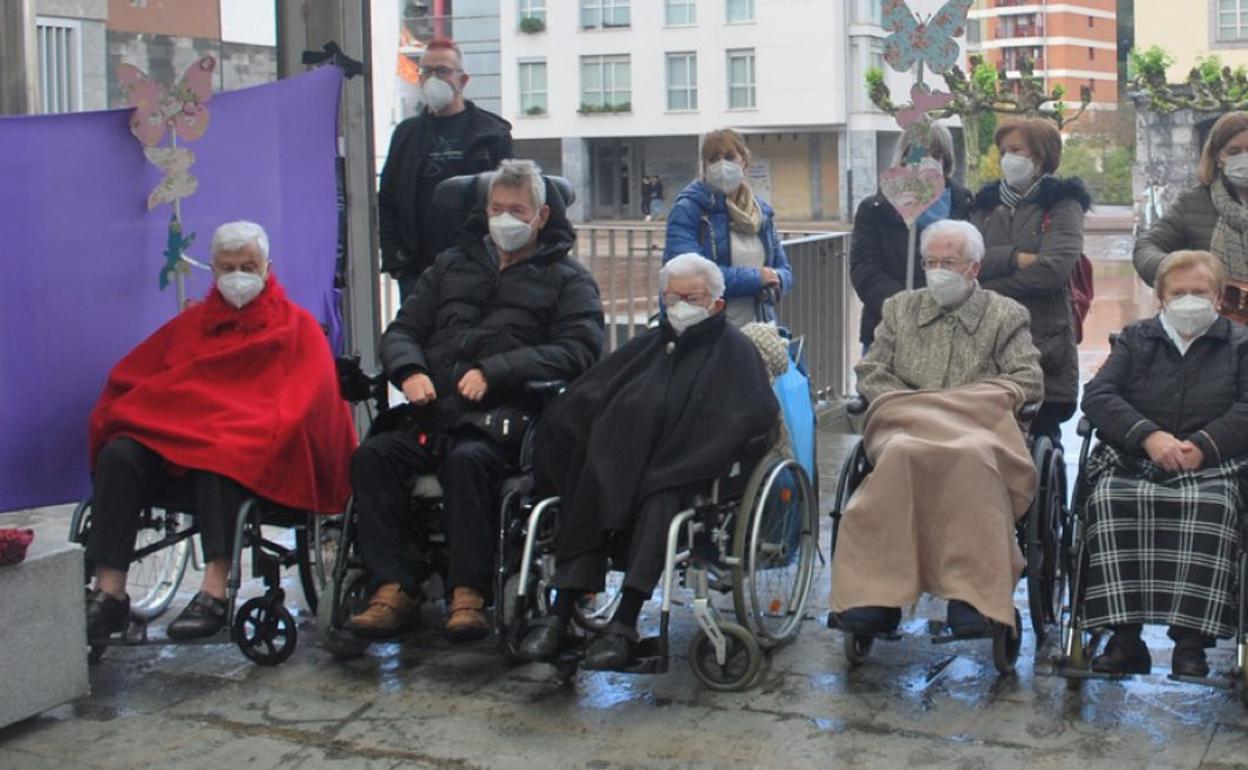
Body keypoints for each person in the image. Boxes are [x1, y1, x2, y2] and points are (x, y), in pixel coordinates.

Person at [348, 160, 605, 641]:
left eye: (517, 209)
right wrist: (410, 370)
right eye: (496, 208)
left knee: (468, 463)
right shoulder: (449, 266)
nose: (505, 218)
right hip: (436, 409)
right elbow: (404, 329)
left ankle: (468, 594)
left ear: (542, 216)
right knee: (373, 456)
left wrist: (496, 370)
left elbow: (580, 351)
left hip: (509, 418)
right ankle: (392, 587)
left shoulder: (569, 279)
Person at [84, 221, 358, 642]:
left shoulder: (297, 327)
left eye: (248, 266)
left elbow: (308, 400)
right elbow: (146, 380)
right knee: (120, 452)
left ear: (268, 268)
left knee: (223, 452)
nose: (238, 277)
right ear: (213, 271)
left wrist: (238, 427)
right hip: (177, 447)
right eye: (228, 268)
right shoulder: (190, 326)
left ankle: (215, 589)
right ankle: (110, 593)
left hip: (242, 453)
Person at [516, 253, 780, 669]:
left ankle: (624, 623)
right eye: (671, 296)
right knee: (588, 476)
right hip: (624, 459)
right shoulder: (648, 345)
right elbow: (594, 392)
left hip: (689, 465)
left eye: (690, 296)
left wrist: (695, 449)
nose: (679, 305)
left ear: (716, 302)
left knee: (661, 494)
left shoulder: (736, 352)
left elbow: (753, 416)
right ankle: (559, 611)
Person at [830, 220, 1044, 637]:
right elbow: (871, 370)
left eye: (949, 261)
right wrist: (915, 406)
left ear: (974, 268)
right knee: (901, 454)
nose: (938, 270)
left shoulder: (1005, 314)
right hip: (906, 428)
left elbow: (1028, 380)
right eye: (931, 262)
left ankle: (974, 596)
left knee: (971, 456)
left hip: (977, 429)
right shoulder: (899, 308)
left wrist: (959, 403)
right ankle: (875, 595)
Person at [1080, 250, 1248, 678]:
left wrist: (1203, 446)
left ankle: (1190, 644)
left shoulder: (1239, 344)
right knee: (1110, 500)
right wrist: (1147, 436)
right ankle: (1124, 639)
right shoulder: (1136, 339)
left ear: (1217, 296)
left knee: (1213, 507)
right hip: (1138, 459)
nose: (1189, 299)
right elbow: (1099, 396)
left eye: (1199, 291)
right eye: (1179, 292)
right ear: (1161, 297)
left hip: (1212, 466)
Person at [970, 117, 1089, 441]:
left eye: (1016, 149)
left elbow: (1051, 271)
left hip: (1043, 340)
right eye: (1003, 150)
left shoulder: (1063, 204)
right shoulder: (984, 205)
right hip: (984, 340)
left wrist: (984, 285)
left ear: (1039, 155)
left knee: (1041, 437)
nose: (1008, 157)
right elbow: (967, 261)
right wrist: (1015, 258)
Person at [378, 37, 514, 299]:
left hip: (475, 270)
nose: (433, 78)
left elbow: (509, 200)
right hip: (417, 272)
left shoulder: (492, 133)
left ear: (462, 80)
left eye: (442, 71)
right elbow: (388, 198)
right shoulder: (406, 134)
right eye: (426, 71)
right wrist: (397, 261)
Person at [851, 121, 974, 351]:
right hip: (890, 328)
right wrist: (909, 307)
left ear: (946, 160)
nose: (928, 161)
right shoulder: (876, 209)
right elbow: (864, 271)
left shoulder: (964, 204)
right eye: (920, 153)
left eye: (936, 155)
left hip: (951, 329)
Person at [663, 129, 793, 325]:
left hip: (759, 328)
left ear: (744, 162)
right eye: (713, 159)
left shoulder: (761, 213)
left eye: (729, 157)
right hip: (707, 330)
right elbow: (689, 275)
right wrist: (757, 279)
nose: (722, 165)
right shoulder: (688, 209)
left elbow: (784, 269)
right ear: (704, 167)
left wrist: (777, 280)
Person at [1134, 111, 1248, 287]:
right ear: (1218, 156)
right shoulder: (1193, 202)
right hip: (1211, 311)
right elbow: (1146, 248)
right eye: (1234, 151)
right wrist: (1179, 270)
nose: (1244, 158)